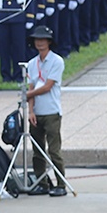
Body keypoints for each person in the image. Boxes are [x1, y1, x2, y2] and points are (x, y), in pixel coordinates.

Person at [24, 25, 68, 196]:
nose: (40, 43)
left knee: (54, 150)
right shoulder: (31, 64)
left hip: (51, 112)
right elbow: (31, 86)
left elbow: (47, 86)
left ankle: (61, 184)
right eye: (37, 40)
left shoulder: (57, 61)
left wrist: (27, 94)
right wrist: (30, 111)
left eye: (43, 40)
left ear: (49, 42)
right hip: (37, 112)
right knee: (37, 151)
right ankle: (41, 183)